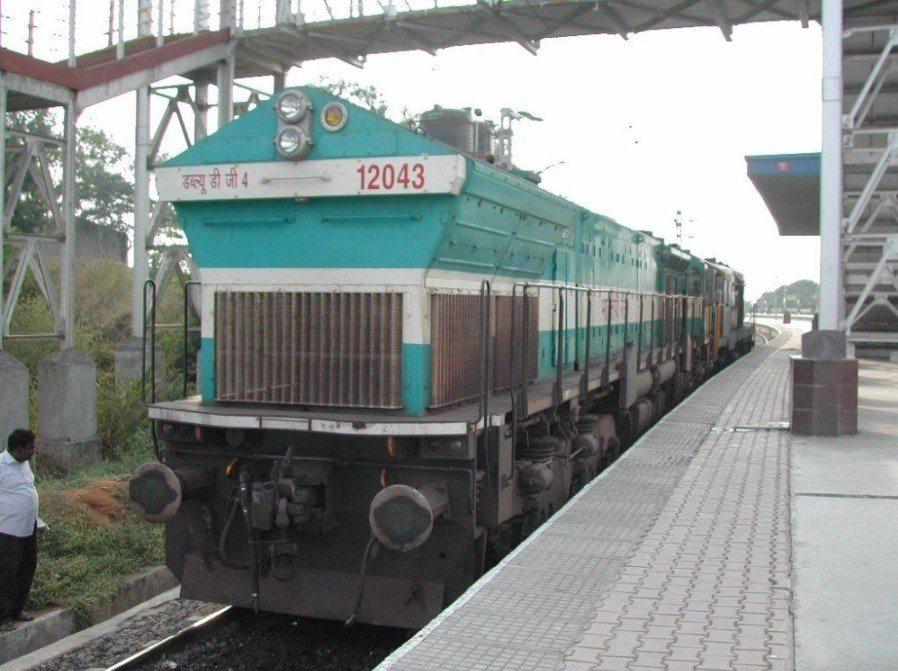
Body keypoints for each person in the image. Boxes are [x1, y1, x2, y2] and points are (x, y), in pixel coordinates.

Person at [0, 429, 39, 626]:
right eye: (31, 448)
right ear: (18, 449)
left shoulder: (24, 463)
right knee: (7, 572)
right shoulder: (1, 465)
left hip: (28, 527)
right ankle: (3, 616)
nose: (34, 451)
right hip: (8, 531)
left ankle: (17, 609)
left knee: (27, 567)